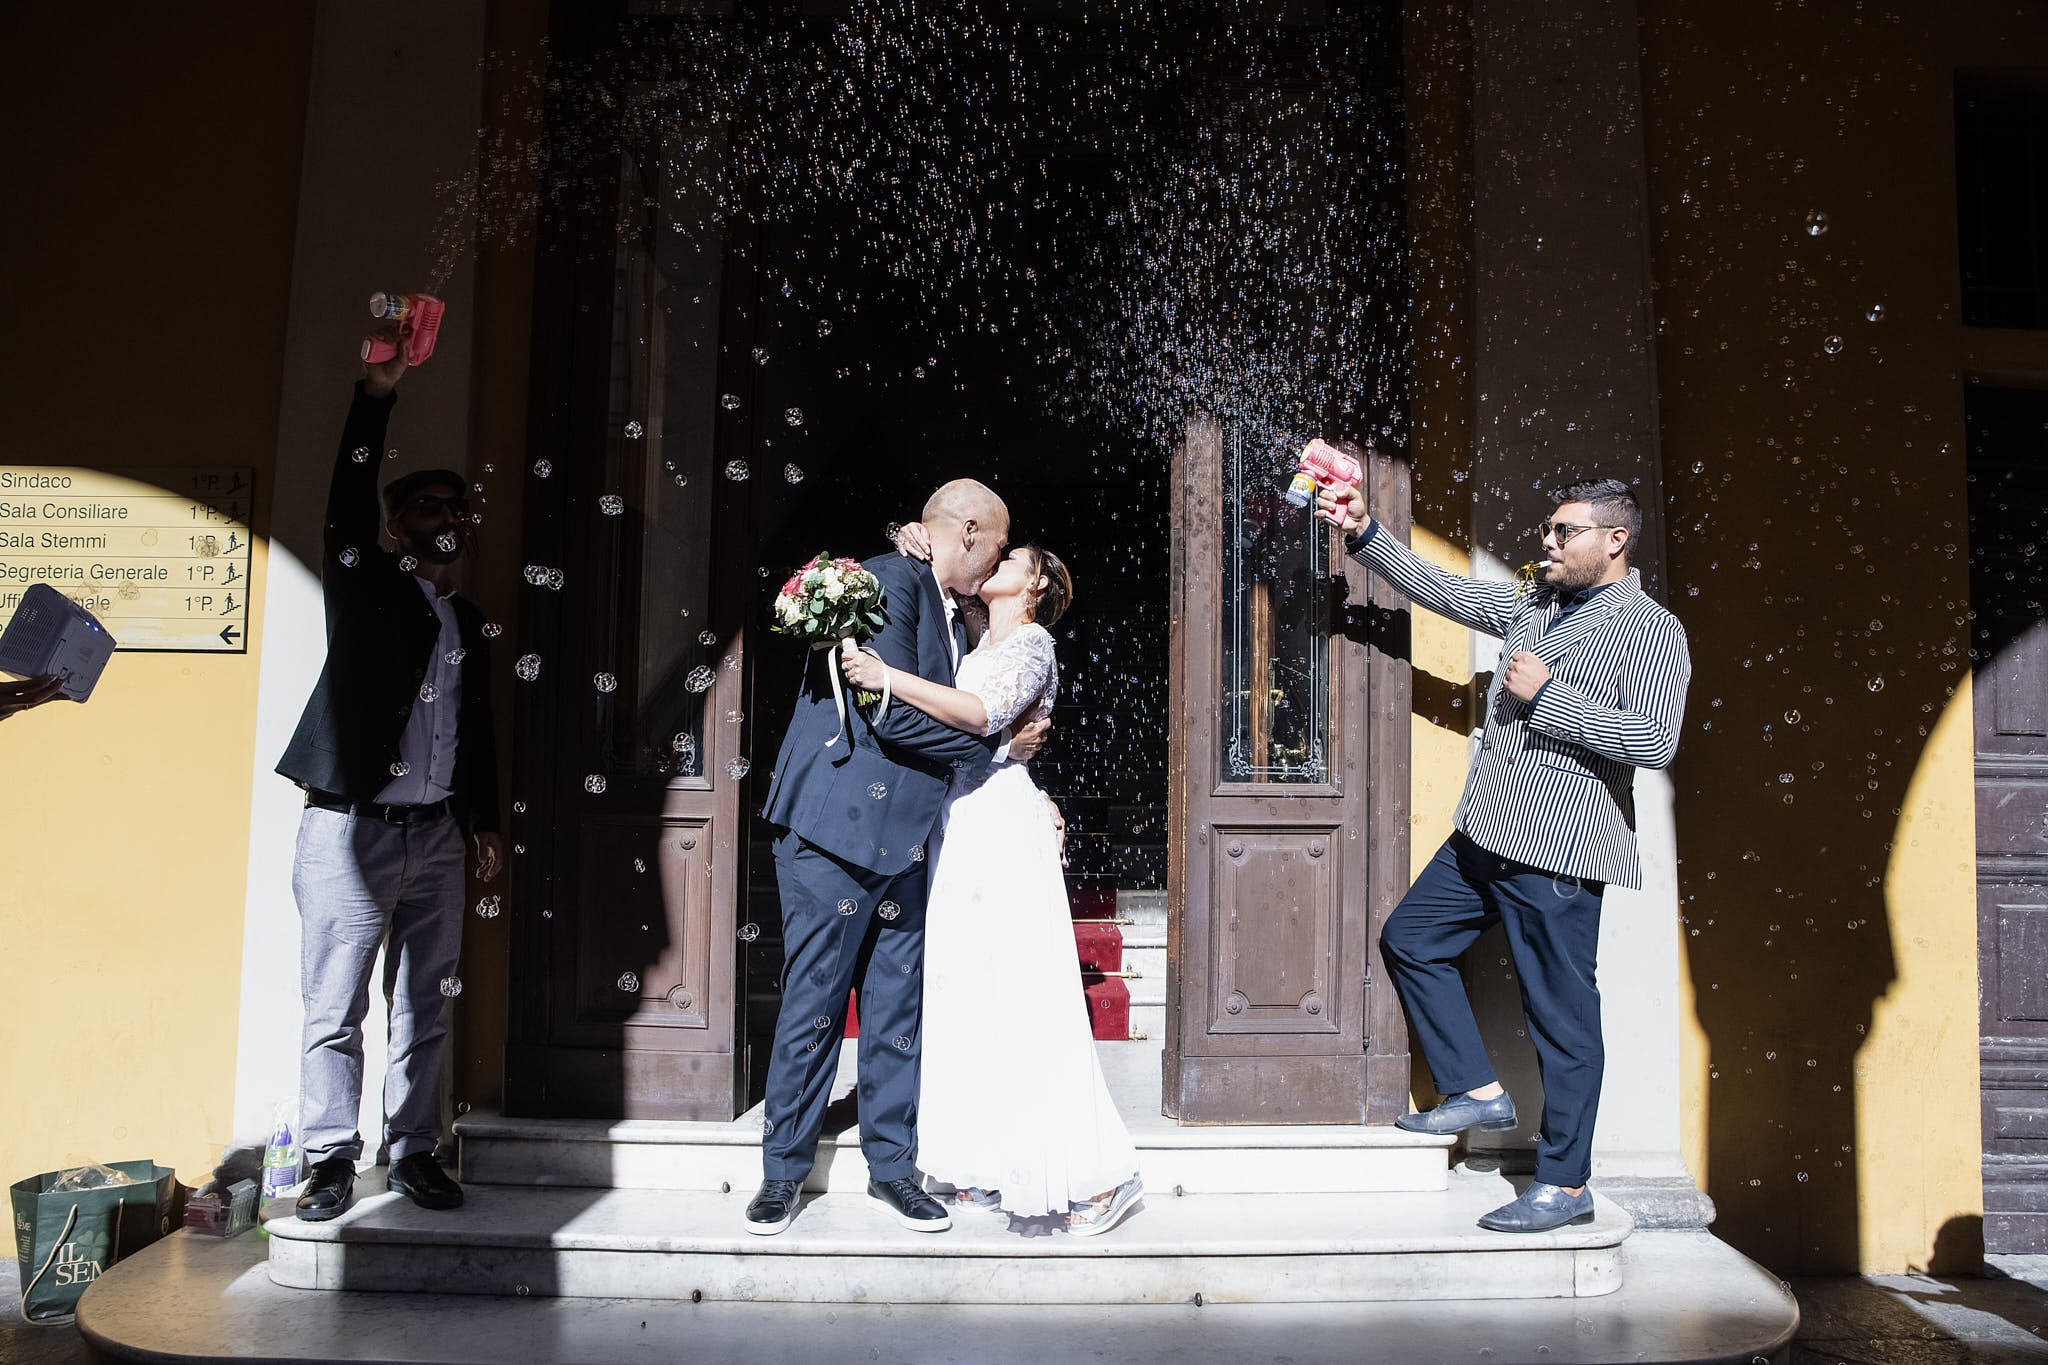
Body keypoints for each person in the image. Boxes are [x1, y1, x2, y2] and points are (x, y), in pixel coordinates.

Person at [1317, 472, 1690, 1233]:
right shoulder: (1534, 602)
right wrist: (1363, 530)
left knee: (1563, 1022)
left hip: (1560, 848)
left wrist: (1549, 697)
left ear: (1615, 540)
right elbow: (1446, 590)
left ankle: (1566, 1185)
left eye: (1564, 532)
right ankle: (1477, 1091)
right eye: (1548, 529)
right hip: (1487, 830)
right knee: (1412, 938)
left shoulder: (1651, 628)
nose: (1547, 542)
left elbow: (1654, 740)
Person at [840, 542, 1143, 1235]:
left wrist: (886, 676)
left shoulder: (1034, 643)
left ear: (1035, 583)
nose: (998, 560)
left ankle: (1101, 1173)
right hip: (960, 822)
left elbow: (979, 713)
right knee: (969, 990)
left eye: (1014, 558)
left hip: (1001, 824)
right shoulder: (976, 640)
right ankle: (984, 1160)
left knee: (1023, 993)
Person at [746, 480, 1015, 1236]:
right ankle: (782, 1174)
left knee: (897, 1010)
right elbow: (887, 712)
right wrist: (990, 751)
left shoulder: (953, 607)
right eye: (997, 544)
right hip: (835, 834)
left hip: (906, 839)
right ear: (968, 530)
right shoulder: (891, 580)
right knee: (815, 1002)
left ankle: (892, 1169)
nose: (998, 560)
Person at [274, 341, 503, 1222]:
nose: (445, 516)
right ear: (397, 525)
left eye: (456, 506)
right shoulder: (366, 586)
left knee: (424, 1005)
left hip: (436, 836)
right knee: (334, 1005)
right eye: (425, 506)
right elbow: (343, 504)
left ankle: (413, 1150)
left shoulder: (468, 622)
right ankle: (331, 1159)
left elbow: (474, 732)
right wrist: (376, 396)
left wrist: (482, 820)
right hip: (350, 829)